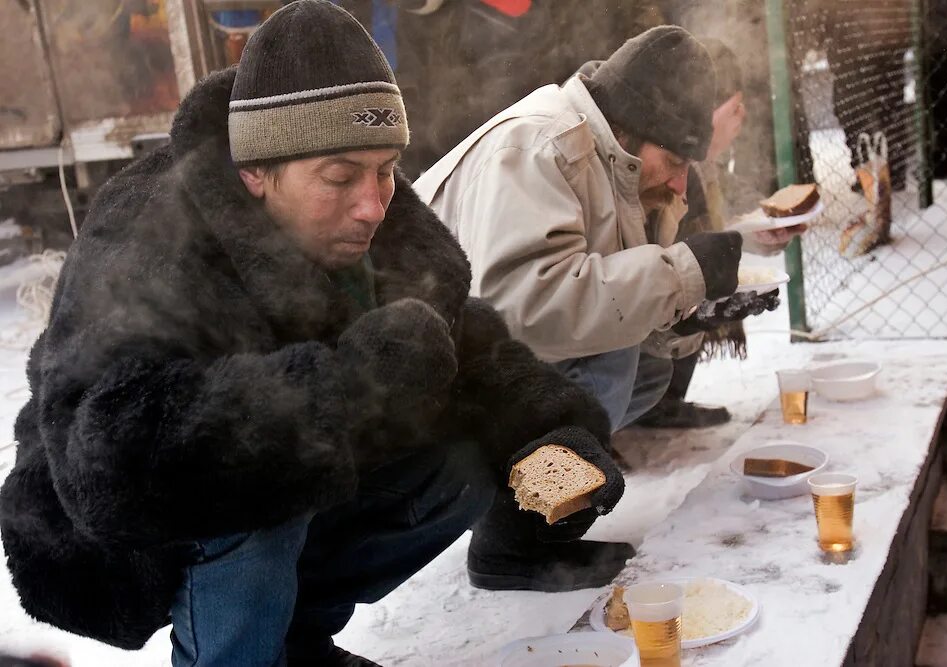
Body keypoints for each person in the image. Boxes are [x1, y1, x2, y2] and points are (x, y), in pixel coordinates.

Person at [0, 3, 630, 666]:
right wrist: (351, 385)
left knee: (459, 458)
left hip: (250, 478)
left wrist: (553, 428)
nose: (372, 202)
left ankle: (295, 643)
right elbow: (111, 452)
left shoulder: (378, 216)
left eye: (386, 169)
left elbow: (464, 342)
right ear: (256, 172)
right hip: (116, 527)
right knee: (262, 488)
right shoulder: (148, 230)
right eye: (340, 177)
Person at [416, 26, 774, 433]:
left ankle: (563, 474)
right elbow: (520, 310)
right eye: (675, 162)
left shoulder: (617, 162)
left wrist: (686, 319)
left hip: (475, 359)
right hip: (424, 381)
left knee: (650, 366)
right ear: (635, 128)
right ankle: (536, 490)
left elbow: (604, 302)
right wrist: (680, 274)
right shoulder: (541, 144)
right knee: (613, 355)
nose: (680, 185)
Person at [638, 38, 806, 429]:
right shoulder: (674, 168)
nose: (742, 115)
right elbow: (685, 245)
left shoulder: (704, 166)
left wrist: (756, 236)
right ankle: (651, 403)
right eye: (733, 107)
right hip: (641, 313)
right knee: (693, 284)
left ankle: (661, 399)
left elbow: (721, 224)